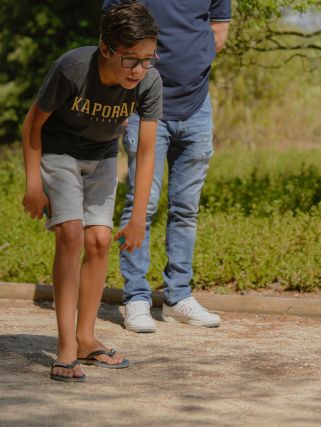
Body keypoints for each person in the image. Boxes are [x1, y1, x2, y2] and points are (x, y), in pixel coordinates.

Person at [21, 2, 161, 381]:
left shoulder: (148, 82)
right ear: (105, 49)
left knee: (98, 239)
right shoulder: (73, 68)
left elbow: (145, 153)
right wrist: (34, 183)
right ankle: (66, 345)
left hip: (100, 158)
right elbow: (31, 126)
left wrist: (136, 220)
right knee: (70, 233)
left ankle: (86, 337)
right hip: (58, 151)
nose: (139, 69)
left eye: (148, 59)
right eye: (131, 59)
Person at [102, 0, 231, 332]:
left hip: (197, 103)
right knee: (141, 203)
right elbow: (112, 32)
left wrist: (194, 64)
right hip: (142, 104)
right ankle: (136, 298)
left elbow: (218, 31)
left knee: (186, 208)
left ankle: (178, 297)